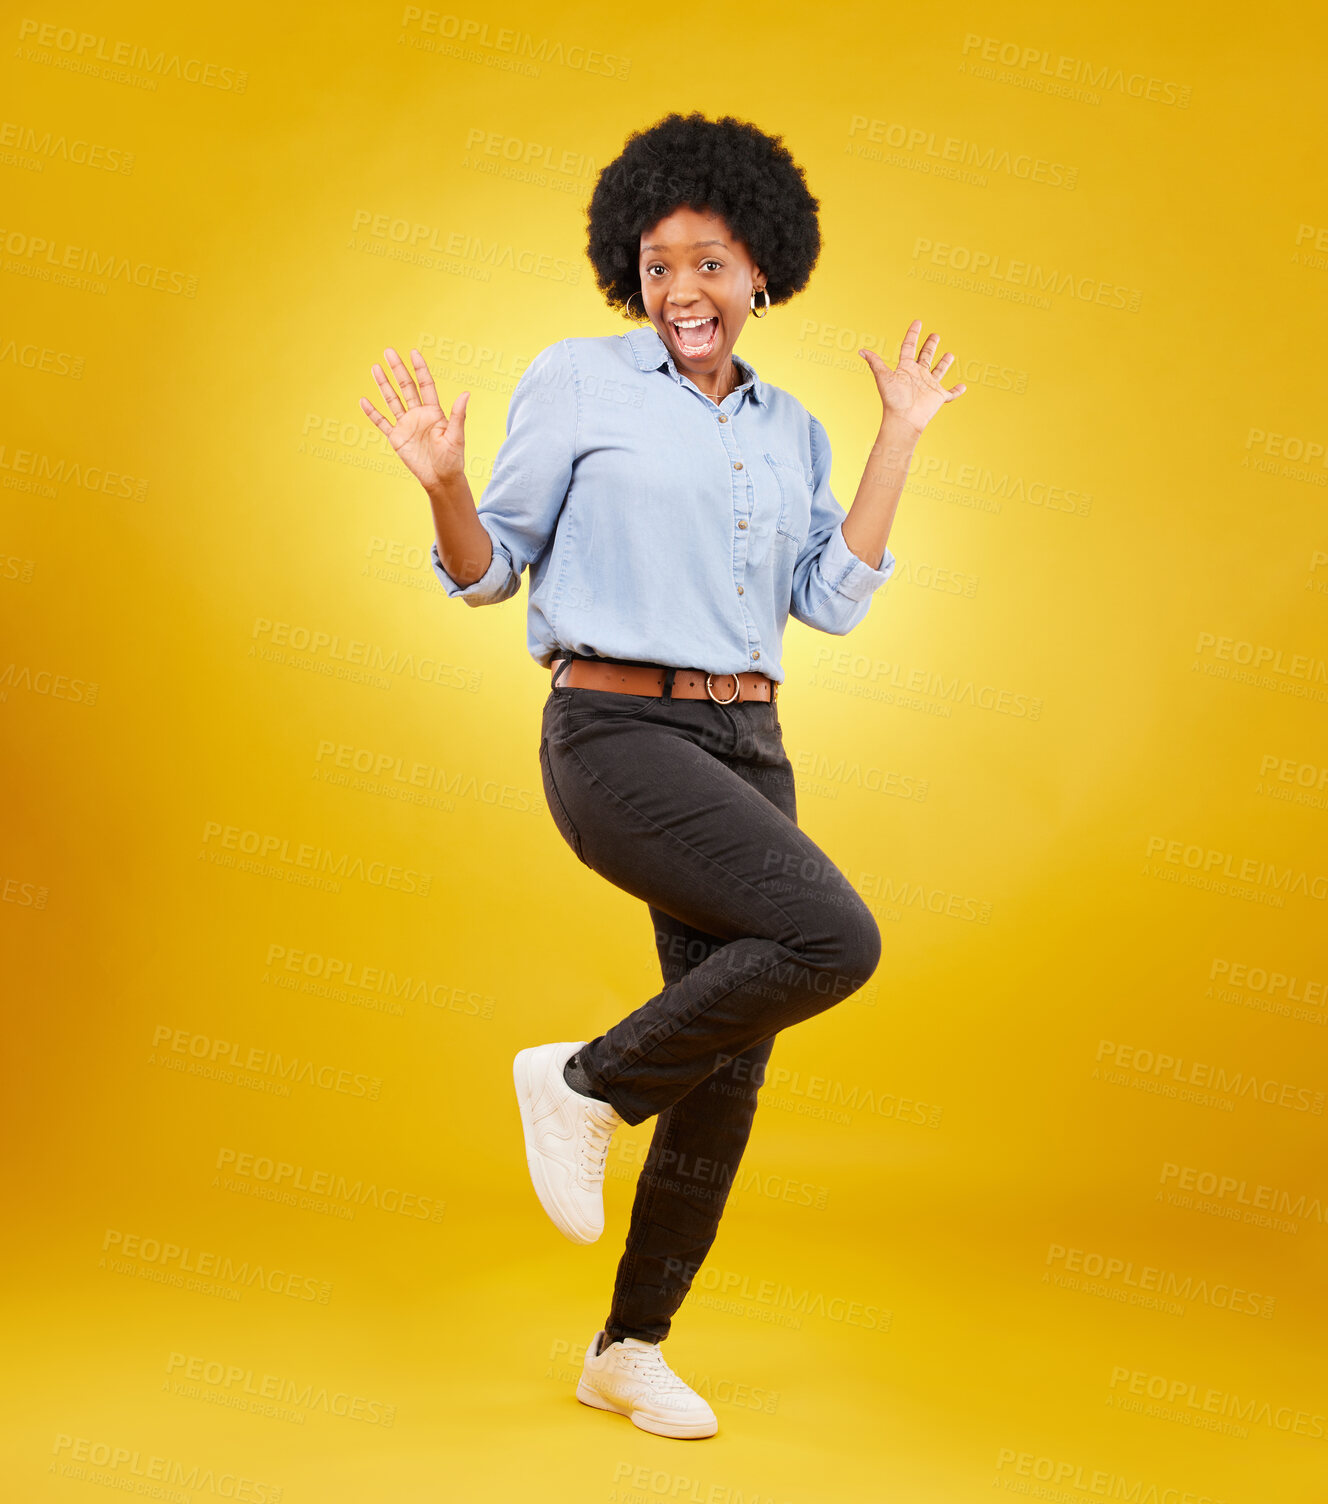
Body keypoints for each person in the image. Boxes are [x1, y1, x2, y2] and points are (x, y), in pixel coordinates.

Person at [360, 110, 965, 1440]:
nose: (682, 289)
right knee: (833, 935)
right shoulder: (580, 380)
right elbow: (485, 571)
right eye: (657, 265)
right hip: (614, 730)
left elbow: (831, 598)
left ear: (763, 272)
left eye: (710, 263)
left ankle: (627, 1348)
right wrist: (445, 484)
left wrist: (898, 436)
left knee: (732, 1064)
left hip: (750, 742)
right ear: (628, 276)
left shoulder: (792, 425)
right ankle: (580, 1082)